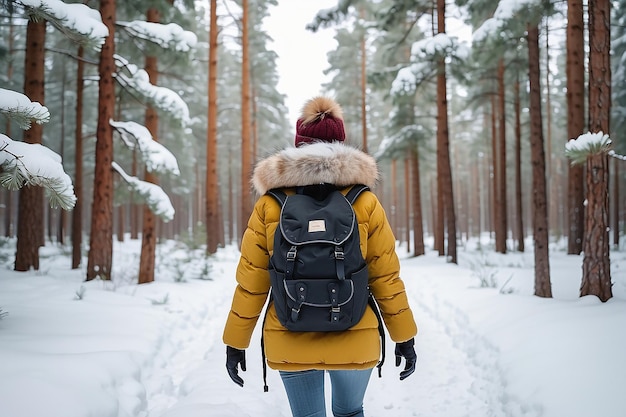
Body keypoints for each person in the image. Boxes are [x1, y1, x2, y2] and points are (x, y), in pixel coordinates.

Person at [223, 96, 418, 417]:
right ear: (342, 146)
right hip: (356, 331)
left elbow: (252, 282)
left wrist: (236, 341)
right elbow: (386, 277)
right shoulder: (364, 202)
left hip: (290, 333)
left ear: (298, 148)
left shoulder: (271, 204)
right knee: (350, 412)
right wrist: (404, 336)